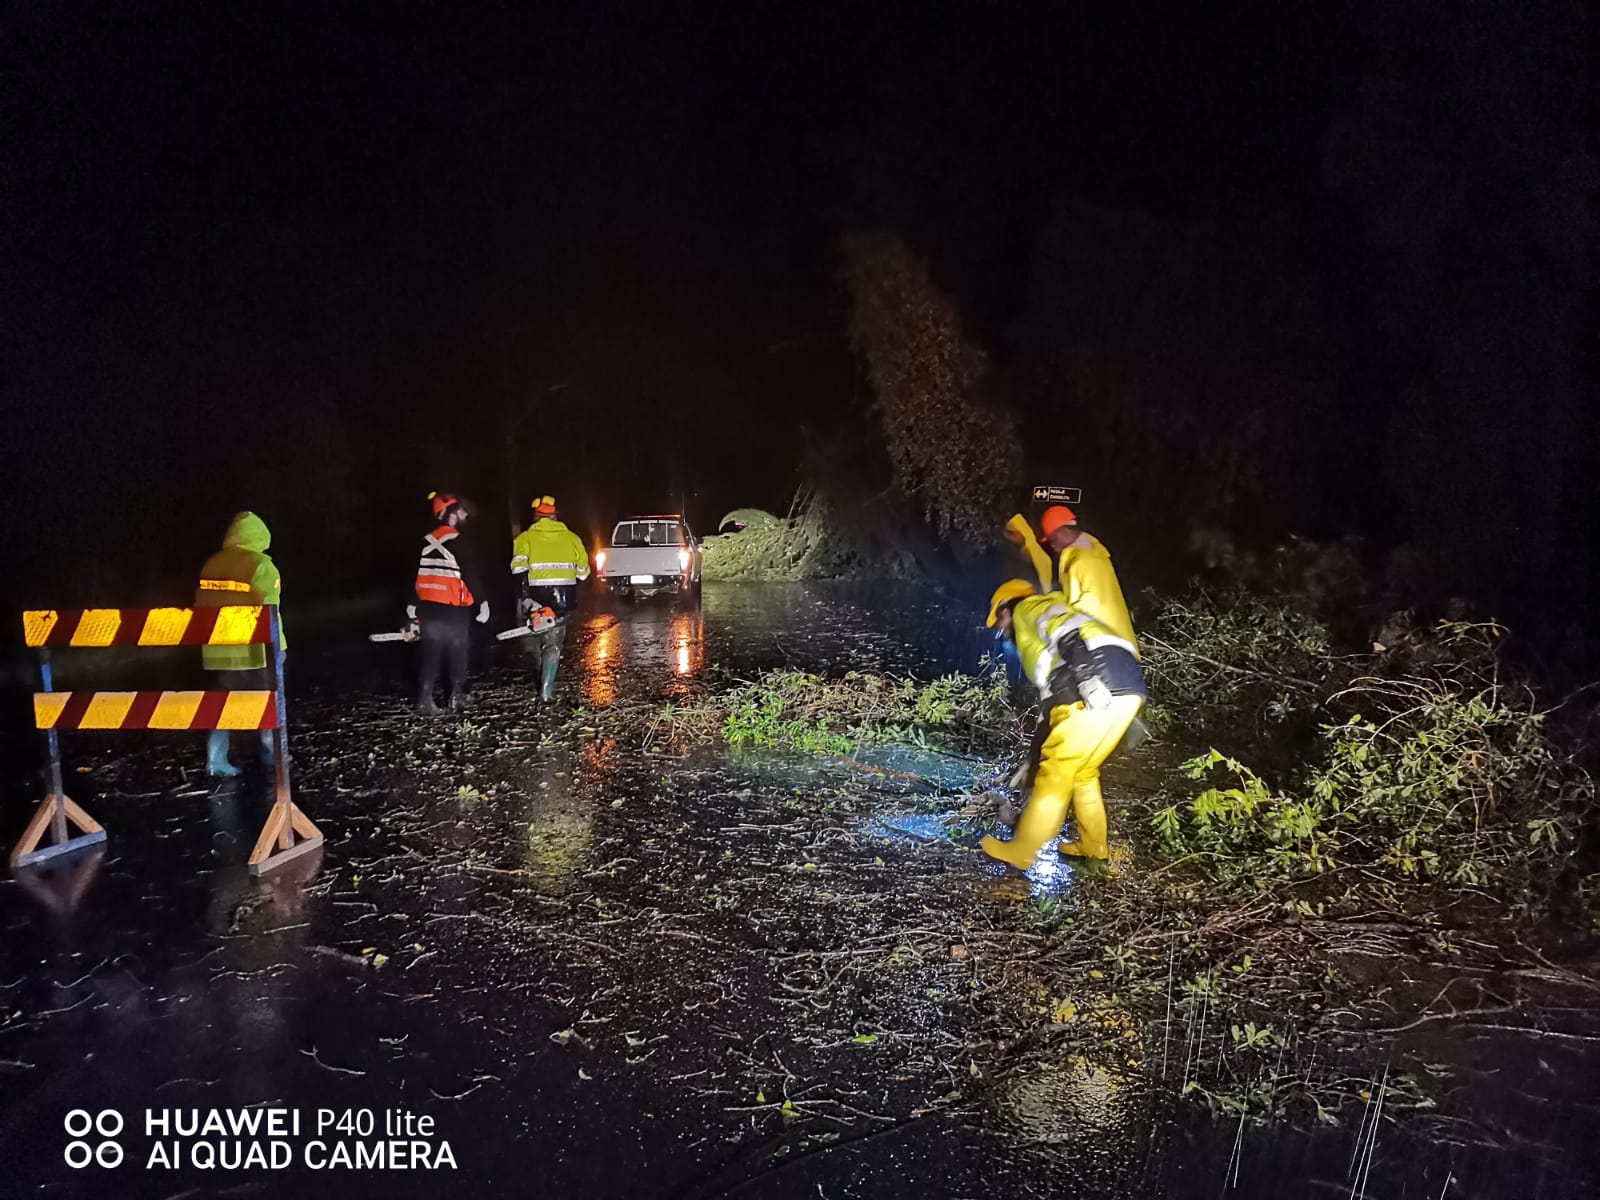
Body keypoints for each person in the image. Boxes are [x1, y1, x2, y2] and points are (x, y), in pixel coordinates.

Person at [981, 556, 1145, 866]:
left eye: (1000, 623)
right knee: (1082, 773)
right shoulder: (1043, 649)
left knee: (1055, 774)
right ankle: (1093, 846)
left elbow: (1065, 629)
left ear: (1006, 608)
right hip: (1126, 687)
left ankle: (1022, 851)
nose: (1003, 632)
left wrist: (1087, 677)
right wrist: (1032, 758)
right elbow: (1049, 710)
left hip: (1094, 683)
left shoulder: (1028, 608)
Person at [195, 511, 283, 777]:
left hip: (219, 649)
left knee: (222, 705)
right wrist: (280, 648)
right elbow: (271, 612)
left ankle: (215, 760)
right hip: (254, 649)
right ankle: (273, 757)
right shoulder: (261, 565)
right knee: (269, 701)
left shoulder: (211, 564)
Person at [413, 491, 490, 715]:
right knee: (457, 652)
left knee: (431, 654)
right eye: (461, 513)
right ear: (451, 515)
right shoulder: (459, 541)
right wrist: (483, 602)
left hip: (428, 608)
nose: (464, 517)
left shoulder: (423, 542)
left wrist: (411, 607)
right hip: (454, 609)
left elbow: (413, 576)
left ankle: (425, 699)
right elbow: (470, 574)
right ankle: (456, 697)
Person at [509, 494, 590, 701]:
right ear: (555, 516)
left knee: (536, 638)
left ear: (536, 516)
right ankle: (546, 690)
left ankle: (539, 672)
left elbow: (518, 571)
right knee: (553, 643)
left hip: (533, 598)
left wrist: (526, 599)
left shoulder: (524, 538)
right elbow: (583, 573)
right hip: (563, 599)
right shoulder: (572, 538)